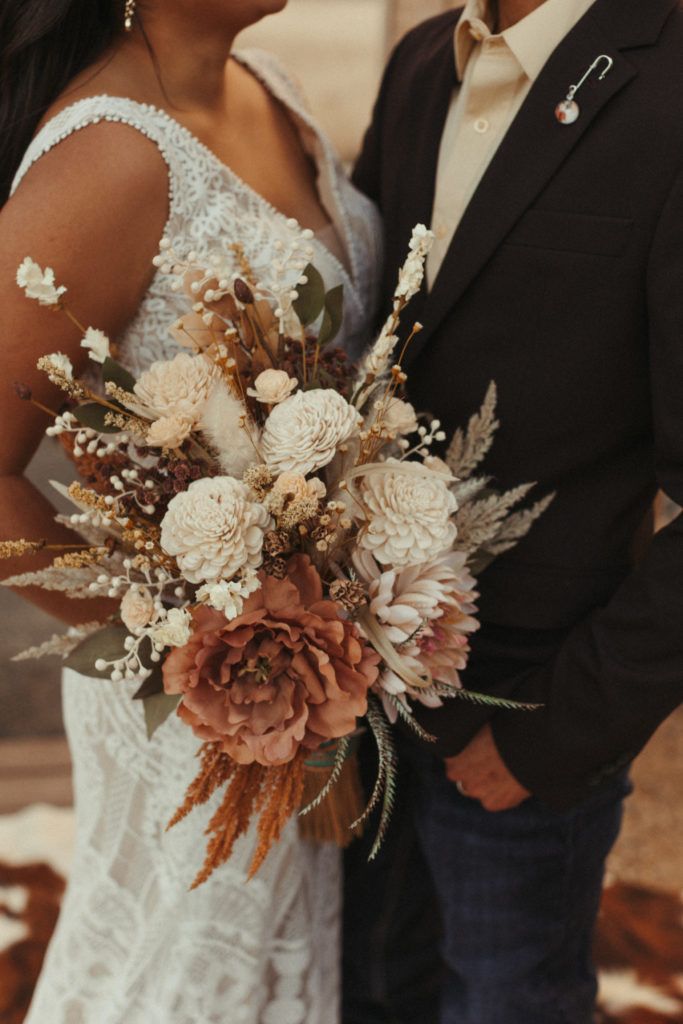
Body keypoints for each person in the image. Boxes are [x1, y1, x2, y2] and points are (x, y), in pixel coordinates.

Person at [0, 1, 381, 1020]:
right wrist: (179, 637)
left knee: (277, 963)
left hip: (303, 674)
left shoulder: (271, 88)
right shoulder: (110, 157)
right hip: (190, 691)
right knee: (175, 972)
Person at [345, 0, 683, 1021]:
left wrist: (559, 727)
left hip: (524, 703)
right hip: (350, 690)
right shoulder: (417, 62)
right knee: (367, 985)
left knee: (508, 1000)